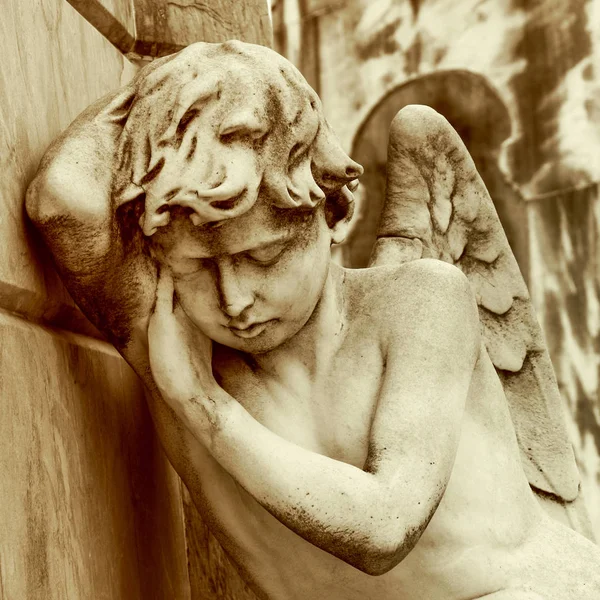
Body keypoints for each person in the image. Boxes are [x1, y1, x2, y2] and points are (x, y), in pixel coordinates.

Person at [26, 41, 600, 600]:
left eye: (264, 256)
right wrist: (178, 95)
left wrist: (203, 405)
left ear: (331, 213)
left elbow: (384, 529)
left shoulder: (418, 301)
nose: (234, 299)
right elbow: (59, 198)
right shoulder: (168, 337)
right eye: (198, 267)